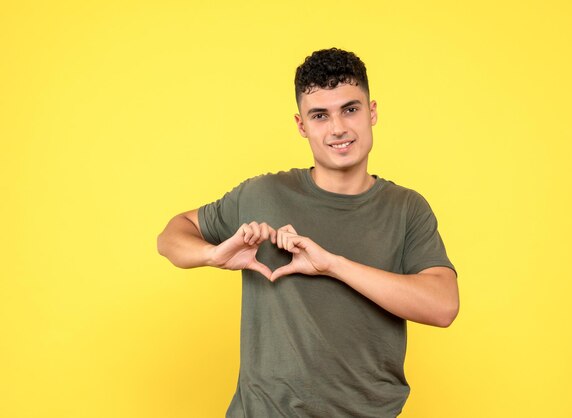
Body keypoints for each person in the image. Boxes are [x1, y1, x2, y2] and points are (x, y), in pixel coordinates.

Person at [157, 47, 459, 418]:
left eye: (350, 109)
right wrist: (211, 255)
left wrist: (333, 265)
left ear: (372, 112)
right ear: (302, 125)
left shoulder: (406, 208)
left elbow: (443, 306)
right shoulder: (262, 194)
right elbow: (172, 235)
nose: (338, 129)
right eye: (320, 116)